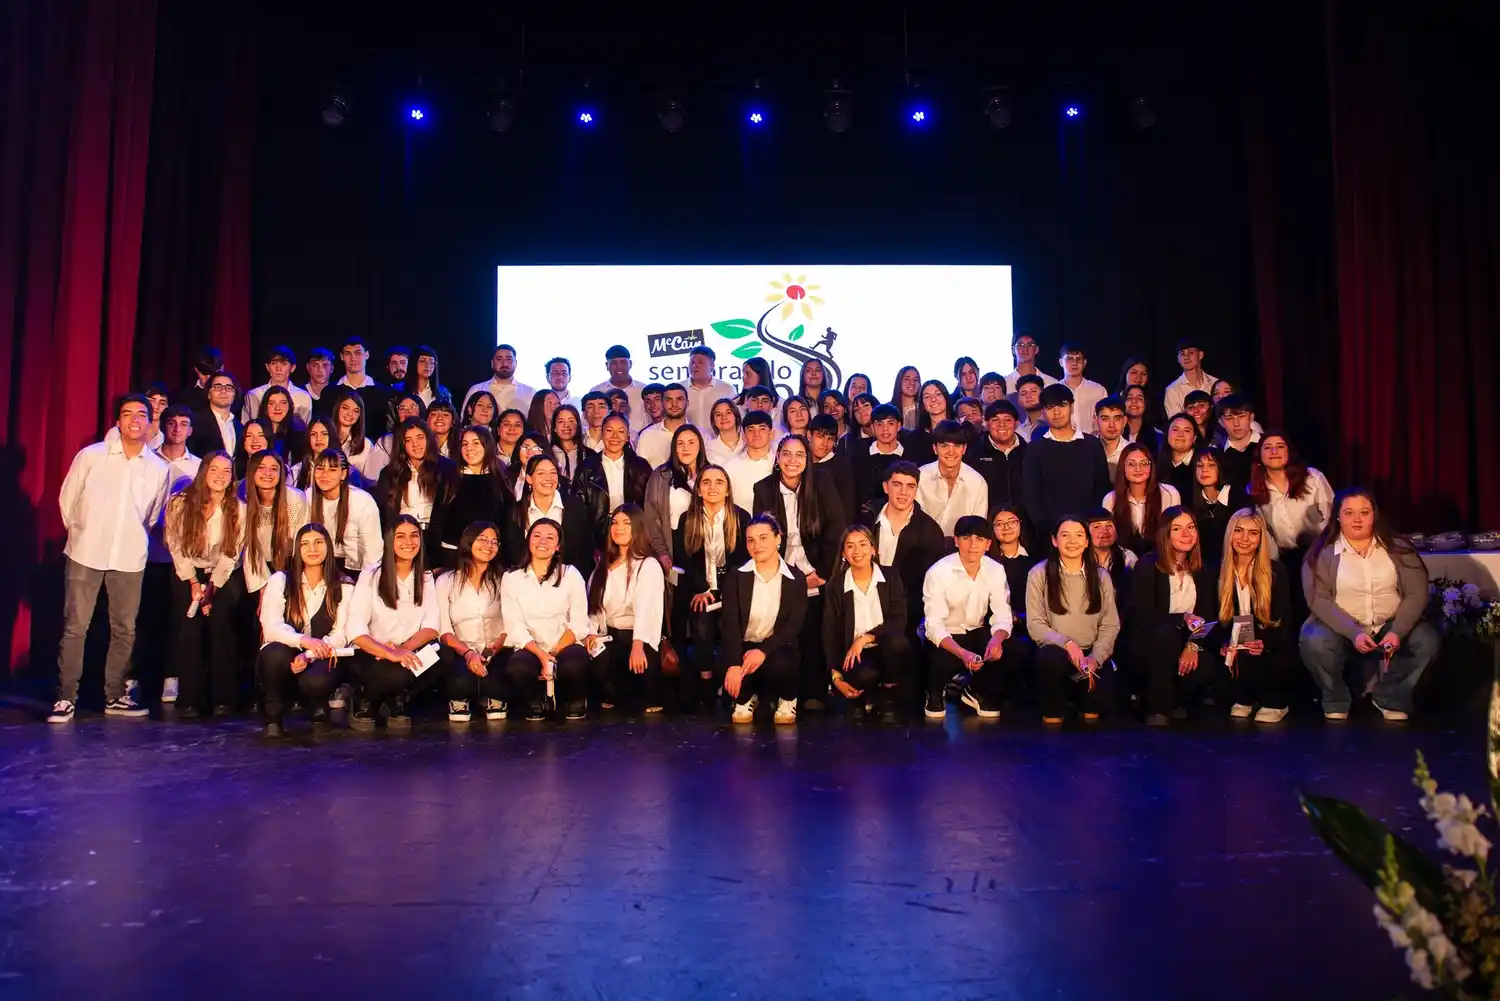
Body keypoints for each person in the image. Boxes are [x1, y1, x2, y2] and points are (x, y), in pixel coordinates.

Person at [48, 395, 171, 723]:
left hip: (130, 557)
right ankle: (65, 698)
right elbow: (67, 499)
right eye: (127, 414)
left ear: (149, 422)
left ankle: (115, 695)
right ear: (117, 421)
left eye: (142, 414)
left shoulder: (159, 468)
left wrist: (132, 537)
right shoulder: (92, 456)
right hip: (86, 553)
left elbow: (152, 515)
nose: (135, 419)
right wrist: (82, 534)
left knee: (125, 630)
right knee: (76, 627)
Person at [1299, 487, 1439, 722]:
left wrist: (1397, 632)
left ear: (1374, 514)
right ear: (1338, 516)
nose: (1357, 519)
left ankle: (1391, 697)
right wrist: (1354, 632)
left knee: (1426, 641)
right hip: (1341, 626)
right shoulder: (1322, 554)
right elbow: (1318, 599)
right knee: (1314, 640)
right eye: (1349, 513)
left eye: (1364, 512)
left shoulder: (1398, 549)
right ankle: (1335, 698)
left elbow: (1416, 593)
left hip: (1390, 623)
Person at [752, 433, 846, 707]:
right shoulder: (764, 489)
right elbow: (763, 536)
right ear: (778, 458)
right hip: (779, 571)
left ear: (808, 460)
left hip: (817, 569)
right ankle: (777, 690)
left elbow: (835, 531)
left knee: (813, 630)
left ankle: (813, 691)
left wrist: (824, 574)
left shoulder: (822, 484)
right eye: (786, 454)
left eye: (800, 455)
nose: (793, 460)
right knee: (779, 631)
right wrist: (785, 578)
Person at [256, 523, 354, 737]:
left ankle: (318, 707)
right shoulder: (280, 580)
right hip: (288, 650)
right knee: (272, 654)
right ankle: (273, 716)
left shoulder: (344, 585)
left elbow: (341, 634)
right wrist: (303, 642)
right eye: (305, 544)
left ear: (328, 546)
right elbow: (271, 627)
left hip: (321, 653)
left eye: (318, 543)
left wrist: (310, 654)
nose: (312, 549)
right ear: (297, 550)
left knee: (316, 679)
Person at [160, 450, 239, 716]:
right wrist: (194, 583)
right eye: (214, 470)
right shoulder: (180, 503)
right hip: (188, 572)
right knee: (190, 631)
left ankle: (223, 699)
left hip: (221, 574)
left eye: (226, 471)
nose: (220, 476)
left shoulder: (238, 508)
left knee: (221, 628)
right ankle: (190, 698)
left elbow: (231, 554)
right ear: (204, 471)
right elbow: (176, 546)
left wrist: (212, 588)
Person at [345, 515, 440, 730]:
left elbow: (432, 626)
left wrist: (402, 650)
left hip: (408, 650)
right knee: (395, 672)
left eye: (414, 536)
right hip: (375, 653)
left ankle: (397, 699)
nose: (409, 542)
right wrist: (390, 653)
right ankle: (365, 700)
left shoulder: (425, 577)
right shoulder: (371, 575)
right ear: (390, 541)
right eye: (401, 536)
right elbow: (355, 629)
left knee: (443, 658)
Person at [1129, 507, 1221, 726]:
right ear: (1165, 534)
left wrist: (1193, 645)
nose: (1186, 534)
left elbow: (1208, 616)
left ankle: (1179, 701)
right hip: (1150, 643)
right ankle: (1158, 708)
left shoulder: (1204, 570)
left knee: (1207, 663)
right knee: (1166, 636)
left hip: (1188, 641)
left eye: (1190, 528)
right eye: (1177, 529)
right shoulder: (1148, 566)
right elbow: (1143, 615)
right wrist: (1181, 618)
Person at [1028, 515, 1121, 724]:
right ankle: (1054, 710)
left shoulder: (1101, 576)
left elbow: (1110, 624)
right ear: (1054, 540)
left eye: (1079, 535)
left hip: (1090, 656)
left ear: (1087, 541)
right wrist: (1067, 644)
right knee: (1050, 660)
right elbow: (1035, 625)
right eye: (1065, 535)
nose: (1072, 541)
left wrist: (1096, 658)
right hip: (1056, 654)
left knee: (1094, 712)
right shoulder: (1038, 574)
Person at [920, 515, 1015, 720]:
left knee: (1010, 649)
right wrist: (962, 653)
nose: (973, 545)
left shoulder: (995, 570)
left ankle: (975, 690)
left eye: (979, 539)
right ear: (956, 540)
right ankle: (935, 691)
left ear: (988, 544)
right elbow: (934, 624)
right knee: (937, 659)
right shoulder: (938, 572)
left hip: (976, 629)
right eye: (966, 538)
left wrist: (996, 640)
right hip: (946, 635)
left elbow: (1002, 613)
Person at [671, 465, 748, 712]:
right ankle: (706, 684)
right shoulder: (688, 519)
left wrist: (726, 591)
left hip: (733, 588)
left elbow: (745, 561)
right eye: (706, 482)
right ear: (699, 490)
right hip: (701, 587)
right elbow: (684, 560)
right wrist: (703, 588)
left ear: (727, 491)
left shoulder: (741, 517)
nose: (712, 487)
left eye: (719, 482)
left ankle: (728, 684)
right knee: (701, 620)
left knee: (731, 627)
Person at [500, 518, 592, 721]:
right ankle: (534, 700)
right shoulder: (511, 578)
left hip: (565, 644)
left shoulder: (571, 575)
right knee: (518, 667)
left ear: (558, 546)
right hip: (531, 647)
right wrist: (541, 654)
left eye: (550, 537)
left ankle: (573, 698)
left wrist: (555, 651)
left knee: (575, 664)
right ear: (528, 540)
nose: (543, 541)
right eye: (537, 536)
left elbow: (579, 622)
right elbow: (514, 626)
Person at [721, 514, 809, 725]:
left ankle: (787, 698)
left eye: (763, 538)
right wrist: (733, 663)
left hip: (777, 646)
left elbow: (793, 625)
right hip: (744, 646)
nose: (756, 545)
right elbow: (730, 623)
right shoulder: (736, 576)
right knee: (727, 669)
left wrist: (763, 651)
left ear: (778, 539)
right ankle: (746, 697)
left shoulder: (796, 579)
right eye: (751, 540)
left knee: (780, 665)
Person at [823, 525, 912, 722]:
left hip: (885, 647)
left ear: (873, 549)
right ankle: (861, 697)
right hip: (855, 655)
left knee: (896, 643)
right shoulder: (836, 586)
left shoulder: (891, 577)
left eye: (863, 544)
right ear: (844, 553)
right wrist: (835, 677)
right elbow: (829, 633)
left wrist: (865, 638)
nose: (857, 551)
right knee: (864, 675)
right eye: (850, 546)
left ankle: (888, 696)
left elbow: (898, 620)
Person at [585, 505, 665, 715]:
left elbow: (646, 608)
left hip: (639, 637)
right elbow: (594, 607)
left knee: (642, 683)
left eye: (626, 523)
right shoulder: (603, 566)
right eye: (615, 522)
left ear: (637, 527)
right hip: (609, 637)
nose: (618, 528)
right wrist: (591, 633)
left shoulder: (647, 564)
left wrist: (638, 644)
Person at [856, 461, 946, 643]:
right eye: (897, 484)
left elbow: (927, 585)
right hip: (861, 604)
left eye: (910, 486)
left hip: (905, 615)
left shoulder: (930, 531)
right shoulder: (866, 519)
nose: (904, 492)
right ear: (886, 487)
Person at [1215, 508, 1291, 723]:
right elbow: (1216, 619)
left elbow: (1283, 622)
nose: (1245, 538)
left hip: (1268, 645)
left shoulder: (1276, 571)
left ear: (1261, 539)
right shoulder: (1217, 572)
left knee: (1270, 656)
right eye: (1238, 531)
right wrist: (1223, 643)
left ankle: (1276, 702)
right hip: (1235, 647)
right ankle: (1244, 698)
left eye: (1253, 533)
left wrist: (1264, 642)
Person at [437, 521, 509, 723]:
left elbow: (512, 623)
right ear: (468, 542)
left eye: (494, 541)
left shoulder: (505, 579)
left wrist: (494, 648)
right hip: (461, 650)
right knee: (460, 683)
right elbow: (443, 628)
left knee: (499, 682)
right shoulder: (446, 581)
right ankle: (462, 696)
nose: (489, 545)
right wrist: (468, 654)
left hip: (496, 650)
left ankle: (490, 694)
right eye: (483, 539)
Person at [1021, 384, 1111, 537]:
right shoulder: (1035, 448)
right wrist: (1046, 528)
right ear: (1043, 412)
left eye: (1062, 405)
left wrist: (1092, 524)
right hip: (1049, 533)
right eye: (1050, 407)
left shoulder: (1091, 444)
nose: (1056, 412)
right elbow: (1031, 494)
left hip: (1087, 529)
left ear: (1072, 406)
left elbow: (1102, 488)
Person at [374, 417, 457, 564]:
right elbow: (384, 515)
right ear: (402, 444)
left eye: (420, 437)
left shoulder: (447, 469)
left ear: (428, 439)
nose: (415, 444)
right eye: (408, 440)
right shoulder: (389, 473)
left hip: (437, 543)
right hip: (403, 539)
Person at [1249, 431, 1334, 567]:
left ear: (1289, 452)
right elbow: (1266, 534)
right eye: (1267, 447)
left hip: (1320, 554)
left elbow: (1332, 515)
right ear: (1260, 455)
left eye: (1280, 446)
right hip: (1286, 560)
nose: (1274, 451)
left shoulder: (1312, 477)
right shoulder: (1254, 489)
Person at [503, 454, 595, 579]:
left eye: (553, 473)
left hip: (566, 581)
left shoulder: (575, 507)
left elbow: (584, 551)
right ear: (529, 478)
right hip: (526, 582)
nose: (548, 478)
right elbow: (511, 553)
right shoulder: (515, 511)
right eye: (541, 473)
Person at [574, 413, 650, 545]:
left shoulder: (640, 466)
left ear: (628, 437)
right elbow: (579, 511)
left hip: (634, 532)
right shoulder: (586, 468)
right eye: (609, 430)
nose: (615, 436)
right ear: (602, 434)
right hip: (598, 534)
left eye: (621, 431)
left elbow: (649, 504)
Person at [307, 448, 383, 576]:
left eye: (332, 470)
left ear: (343, 474)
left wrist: (365, 586)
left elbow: (373, 553)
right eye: (320, 469)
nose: (324, 475)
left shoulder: (362, 501)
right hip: (323, 567)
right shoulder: (309, 496)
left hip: (357, 571)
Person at [441, 427, 511, 557]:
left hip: (490, 555)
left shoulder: (500, 480)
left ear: (487, 446)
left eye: (476, 443)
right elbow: (438, 520)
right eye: (465, 444)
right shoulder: (449, 478)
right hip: (452, 554)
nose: (469, 448)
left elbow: (507, 523)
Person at [644, 424, 707, 568]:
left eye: (691, 442)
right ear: (674, 447)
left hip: (706, 544)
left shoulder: (710, 474)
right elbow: (651, 516)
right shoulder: (660, 475)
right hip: (673, 544)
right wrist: (661, 551)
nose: (686, 448)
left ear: (700, 446)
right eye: (680, 443)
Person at [1102, 442, 1181, 556]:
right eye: (1131, 464)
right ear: (1122, 467)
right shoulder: (1110, 499)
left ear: (1151, 466)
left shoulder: (1170, 494)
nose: (1138, 469)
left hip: (1161, 558)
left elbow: (1174, 535)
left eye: (1144, 463)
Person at [916, 419, 989, 537]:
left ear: (964, 449)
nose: (951, 452)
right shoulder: (920, 476)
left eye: (957, 446)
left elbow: (978, 528)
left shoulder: (977, 482)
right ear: (935, 448)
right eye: (944, 446)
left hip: (962, 548)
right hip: (924, 546)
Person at [965, 399, 1027, 512]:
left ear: (1016, 424)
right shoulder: (972, 452)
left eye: (1008, 420)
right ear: (986, 424)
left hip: (1023, 522)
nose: (1001, 425)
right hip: (986, 520)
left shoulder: (1029, 452)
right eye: (995, 420)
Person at [1187, 447, 1244, 564]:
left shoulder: (1238, 498)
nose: (1204, 470)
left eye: (1211, 465)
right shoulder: (1191, 502)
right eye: (1200, 466)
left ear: (1221, 469)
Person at [851, 403, 908, 505]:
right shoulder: (857, 454)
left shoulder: (910, 455)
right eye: (879, 424)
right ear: (872, 427)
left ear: (899, 426)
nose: (885, 429)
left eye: (890, 423)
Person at [242, 346, 313, 424]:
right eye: (274, 363)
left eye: (284, 364)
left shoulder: (303, 397)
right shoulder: (254, 395)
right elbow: (246, 426)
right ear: (267, 367)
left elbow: (305, 429)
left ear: (292, 368)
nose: (278, 368)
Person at [337, 336, 392, 438]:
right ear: (341, 357)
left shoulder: (383, 393)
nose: (353, 358)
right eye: (348, 353)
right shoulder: (330, 392)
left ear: (366, 355)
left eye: (358, 353)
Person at [807, 414, 857, 524]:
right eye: (820, 437)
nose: (825, 444)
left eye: (830, 439)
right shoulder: (801, 463)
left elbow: (848, 507)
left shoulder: (842, 466)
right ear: (809, 435)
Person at [725, 410, 778, 513]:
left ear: (771, 434)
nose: (756, 434)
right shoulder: (730, 467)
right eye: (750, 430)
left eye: (762, 429)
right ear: (743, 436)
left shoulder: (781, 464)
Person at [589, 345, 649, 434]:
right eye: (614, 363)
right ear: (607, 365)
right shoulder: (596, 391)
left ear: (630, 364)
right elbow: (587, 423)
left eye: (623, 362)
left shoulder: (643, 390)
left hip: (640, 443)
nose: (619, 367)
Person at [463, 343, 536, 416]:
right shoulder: (477, 389)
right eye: (499, 359)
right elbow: (464, 418)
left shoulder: (530, 393)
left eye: (509, 359)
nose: (504, 363)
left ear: (516, 363)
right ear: (492, 363)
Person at [330, 389, 382, 483]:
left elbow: (372, 482)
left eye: (356, 411)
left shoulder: (366, 444)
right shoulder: (325, 437)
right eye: (345, 408)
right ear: (337, 409)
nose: (350, 414)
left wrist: (354, 474)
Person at [1056, 342, 1108, 434]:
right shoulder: (1054, 389)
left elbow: (1105, 418)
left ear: (1084, 363)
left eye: (1078, 359)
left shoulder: (1098, 390)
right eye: (1069, 359)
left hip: (1091, 442)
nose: (1074, 363)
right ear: (1061, 362)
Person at [1213, 393, 1262, 491]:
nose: (1236, 424)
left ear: (1251, 417)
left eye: (1242, 416)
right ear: (1221, 422)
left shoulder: (1267, 446)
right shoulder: (1216, 455)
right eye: (1229, 418)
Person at [189, 371, 241, 460]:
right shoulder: (196, 421)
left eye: (228, 388)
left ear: (234, 395)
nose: (223, 391)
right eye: (218, 387)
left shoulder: (239, 426)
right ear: (209, 394)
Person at [635, 382, 688, 470]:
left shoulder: (700, 434)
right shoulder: (646, 435)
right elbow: (641, 472)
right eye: (647, 401)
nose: (652, 405)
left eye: (656, 399)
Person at [1163, 338, 1218, 417]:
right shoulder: (1173, 390)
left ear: (1201, 355)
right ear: (1178, 359)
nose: (1186, 357)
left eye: (1191, 353)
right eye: (1182, 354)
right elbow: (1177, 422)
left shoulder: (1215, 383)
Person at [686, 345, 736, 429]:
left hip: (718, 441)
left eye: (700, 362)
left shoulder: (727, 389)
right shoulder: (680, 389)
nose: (695, 366)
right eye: (692, 362)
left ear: (712, 365)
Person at [1003, 331, 1058, 405]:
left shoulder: (1051, 383)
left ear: (1036, 349)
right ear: (1013, 350)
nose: (1025, 348)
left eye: (1030, 344)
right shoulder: (1004, 383)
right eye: (1020, 344)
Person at [1158, 414, 1201, 499]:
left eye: (1187, 430)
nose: (1180, 434)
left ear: (1194, 438)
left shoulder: (1202, 464)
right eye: (1175, 429)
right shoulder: (1157, 464)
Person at [259, 385, 307, 461]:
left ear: (289, 406)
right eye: (272, 403)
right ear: (265, 407)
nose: (277, 408)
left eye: (283, 403)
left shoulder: (298, 436)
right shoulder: (257, 433)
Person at [175, 345, 224, 414]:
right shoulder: (185, 397)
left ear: (222, 369)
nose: (209, 378)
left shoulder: (233, 396)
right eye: (204, 374)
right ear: (196, 370)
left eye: (213, 373)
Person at [400, 345, 452, 410]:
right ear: (414, 363)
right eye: (423, 361)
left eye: (431, 362)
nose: (428, 365)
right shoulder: (399, 390)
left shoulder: (443, 393)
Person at [1094, 396, 1130, 481]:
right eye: (1105, 419)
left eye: (1117, 418)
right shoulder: (1085, 449)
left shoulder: (1132, 452)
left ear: (1124, 421)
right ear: (1096, 420)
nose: (1111, 425)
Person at [1121, 385, 1162, 454]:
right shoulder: (1115, 433)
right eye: (1129, 397)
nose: (1134, 401)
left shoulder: (1158, 437)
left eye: (1139, 398)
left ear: (1146, 404)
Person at [550, 404, 586, 481]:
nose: (566, 425)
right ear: (554, 428)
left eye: (571, 421)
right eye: (561, 421)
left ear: (578, 426)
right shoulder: (546, 453)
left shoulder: (588, 454)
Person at [705, 398, 745, 465]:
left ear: (736, 416)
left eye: (728, 412)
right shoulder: (708, 449)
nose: (724, 417)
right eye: (718, 414)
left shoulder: (748, 442)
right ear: (714, 421)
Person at [1013, 374, 1046, 441]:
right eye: (1023, 393)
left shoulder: (1054, 422)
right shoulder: (1017, 430)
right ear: (1018, 400)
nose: (1028, 396)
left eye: (1033, 391)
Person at [304, 347, 335, 415]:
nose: (320, 370)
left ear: (332, 368)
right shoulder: (299, 394)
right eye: (315, 365)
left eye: (325, 365)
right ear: (308, 367)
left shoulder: (338, 394)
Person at [890, 365, 921, 431]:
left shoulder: (924, 409)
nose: (912, 383)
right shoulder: (888, 408)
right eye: (907, 379)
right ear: (899, 381)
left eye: (915, 380)